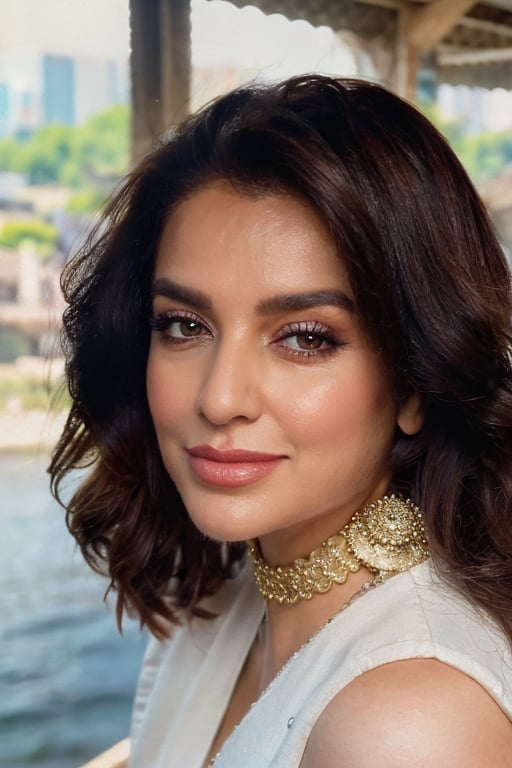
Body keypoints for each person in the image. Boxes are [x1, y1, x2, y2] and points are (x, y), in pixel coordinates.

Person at [49, 74, 512, 767]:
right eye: (183, 325)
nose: (219, 396)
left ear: (418, 379)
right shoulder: (217, 602)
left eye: (305, 336)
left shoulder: (409, 726)